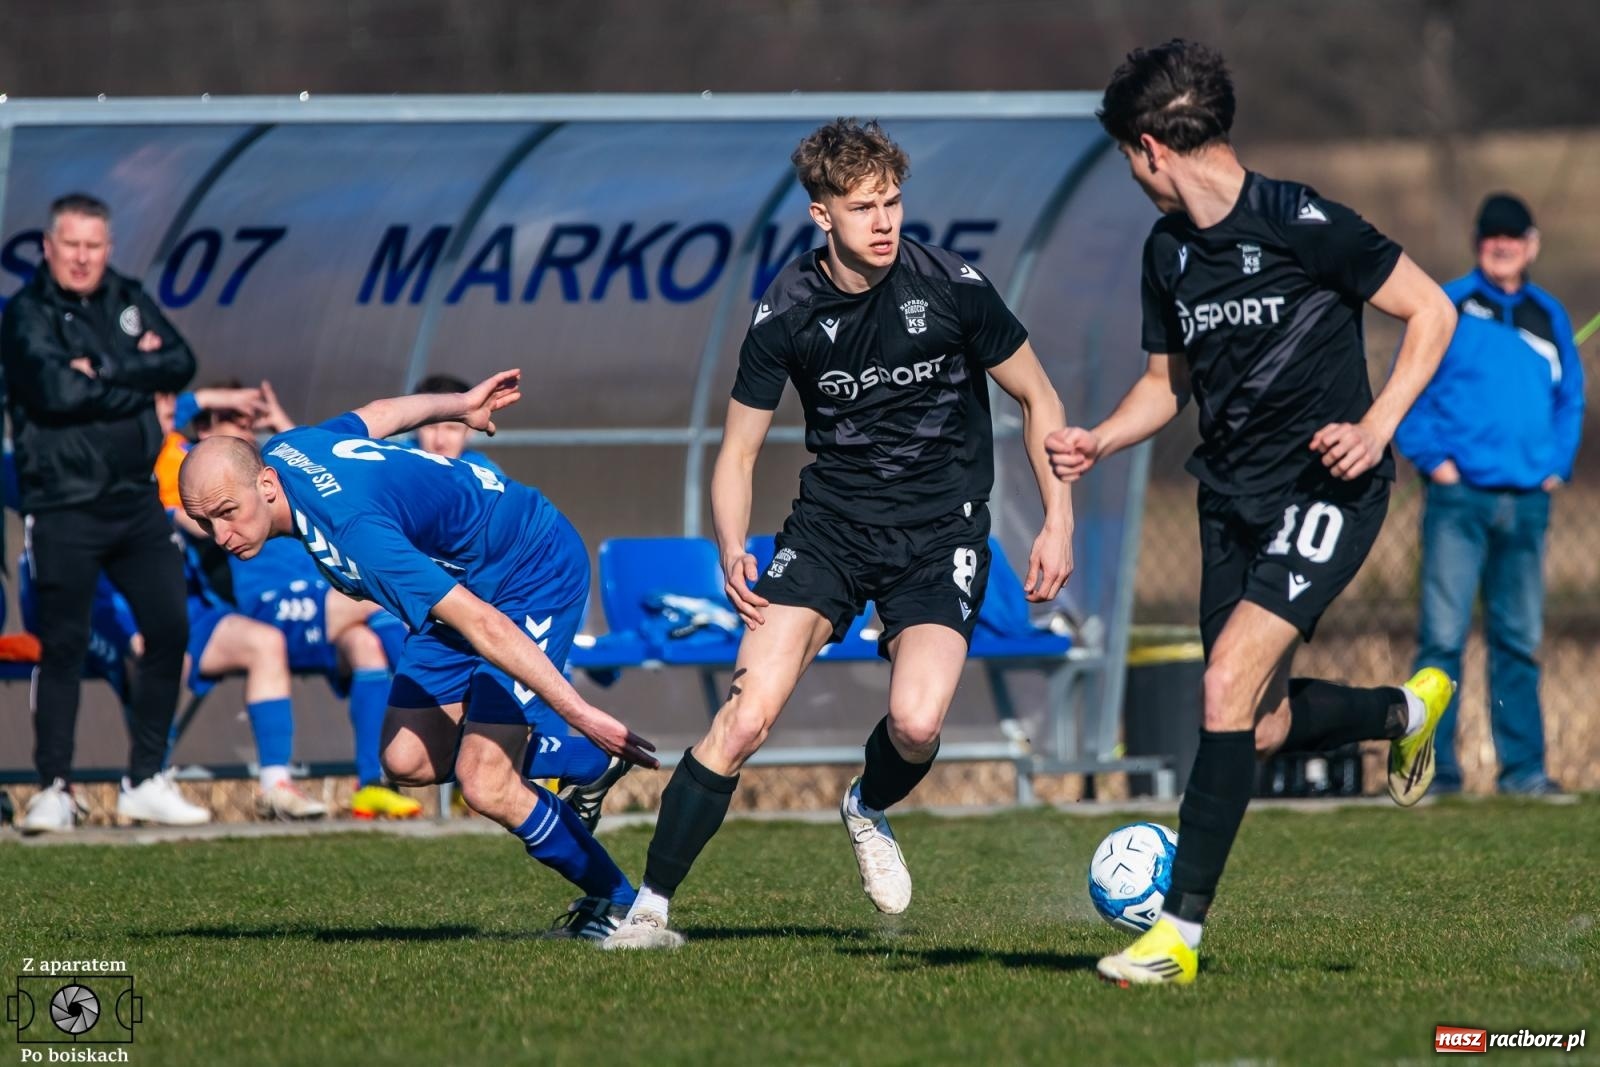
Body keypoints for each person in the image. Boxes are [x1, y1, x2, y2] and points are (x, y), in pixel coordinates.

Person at [1046, 40, 1460, 986]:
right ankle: (1405, 709)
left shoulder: (1300, 221)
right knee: (1257, 725)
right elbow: (1168, 386)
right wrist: (1101, 438)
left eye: (1127, 157)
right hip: (1228, 503)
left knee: (1224, 684)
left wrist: (1376, 426)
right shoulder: (1167, 253)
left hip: (1327, 490)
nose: (1132, 174)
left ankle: (1175, 939)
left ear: (1151, 148)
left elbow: (1432, 312)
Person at [604, 118, 1074, 951]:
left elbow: (1040, 398)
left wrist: (1057, 518)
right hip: (830, 532)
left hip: (942, 535)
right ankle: (648, 909)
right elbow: (737, 452)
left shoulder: (953, 286)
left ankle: (866, 803)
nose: (884, 222)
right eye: (863, 208)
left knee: (917, 724)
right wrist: (730, 544)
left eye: (892, 202)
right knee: (745, 716)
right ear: (823, 215)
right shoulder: (786, 309)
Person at [177, 373, 657, 940]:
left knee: (485, 783)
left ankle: (620, 905)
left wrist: (581, 712)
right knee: (407, 761)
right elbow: (379, 414)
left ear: (266, 484)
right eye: (204, 521)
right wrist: (462, 405)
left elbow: (484, 624)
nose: (219, 534)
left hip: (530, 566)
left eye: (227, 511)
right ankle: (584, 761)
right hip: (458, 583)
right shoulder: (286, 449)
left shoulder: (353, 531)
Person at [3, 192, 209, 831]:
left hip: (136, 502)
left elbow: (180, 361)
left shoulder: (126, 296)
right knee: (62, 645)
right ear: (48, 246)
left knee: (170, 627)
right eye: (72, 244)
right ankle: (54, 788)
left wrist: (105, 367)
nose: (83, 257)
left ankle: (145, 778)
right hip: (62, 505)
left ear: (108, 248)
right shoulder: (27, 313)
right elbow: (55, 392)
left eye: (94, 245)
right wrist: (136, 377)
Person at [1394, 193, 1584, 796]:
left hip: (1528, 501)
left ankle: (1523, 771)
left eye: (1513, 236)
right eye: (1491, 236)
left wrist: (1555, 466)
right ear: (1478, 243)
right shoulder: (1447, 306)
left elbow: (1570, 399)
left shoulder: (1548, 315)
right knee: (1442, 640)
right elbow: (1408, 391)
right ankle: (1434, 772)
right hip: (1458, 501)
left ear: (1531, 244)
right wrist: (1437, 463)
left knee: (1518, 642)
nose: (1502, 246)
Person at [408, 373, 627, 827]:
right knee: (410, 755)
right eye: (431, 425)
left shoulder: (483, 478)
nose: (440, 437)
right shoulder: (401, 472)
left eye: (450, 426)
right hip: (438, 619)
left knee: (527, 681)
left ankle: (556, 774)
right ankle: (571, 761)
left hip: (493, 613)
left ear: (469, 430)